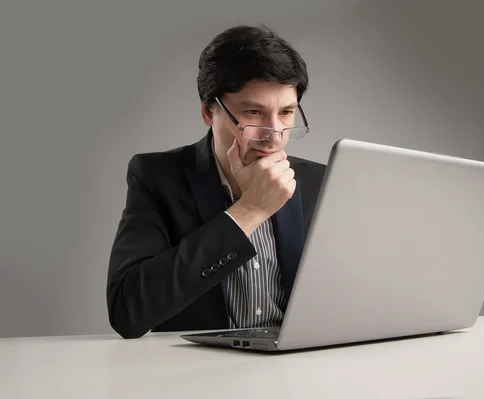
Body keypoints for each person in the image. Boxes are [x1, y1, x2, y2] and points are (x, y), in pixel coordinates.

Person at [106, 25, 326, 339]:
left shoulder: (319, 181)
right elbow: (128, 312)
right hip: (197, 378)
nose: (274, 134)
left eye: (287, 112)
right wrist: (249, 211)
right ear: (209, 112)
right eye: (253, 112)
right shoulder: (157, 175)